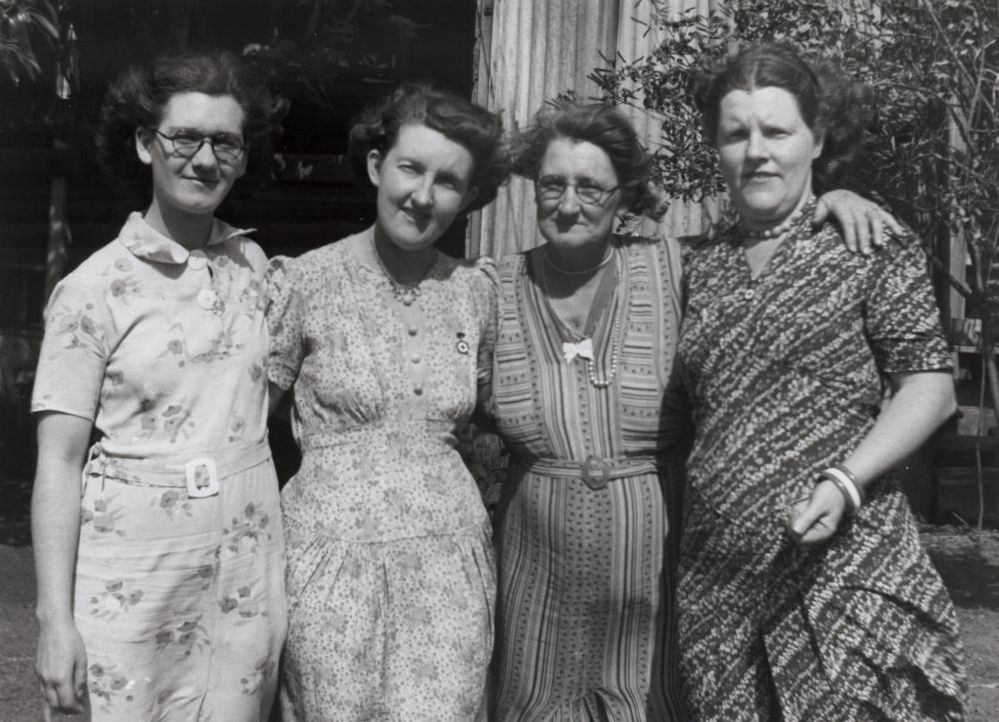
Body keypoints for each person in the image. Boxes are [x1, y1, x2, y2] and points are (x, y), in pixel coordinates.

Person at [487, 100, 898, 720]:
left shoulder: (681, 267)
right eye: (552, 184)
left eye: (591, 187)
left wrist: (832, 201)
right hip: (536, 587)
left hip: (662, 585)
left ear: (624, 193)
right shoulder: (489, 291)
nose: (568, 204)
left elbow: (771, 238)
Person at [676, 42, 966, 720]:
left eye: (776, 131)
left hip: (842, 573)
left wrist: (845, 479)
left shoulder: (868, 245)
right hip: (718, 591)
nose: (756, 151)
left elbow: (929, 385)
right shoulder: (699, 266)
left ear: (816, 138)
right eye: (735, 134)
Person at [31, 52, 287, 720]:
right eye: (184, 138)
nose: (204, 160)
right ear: (146, 143)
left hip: (245, 570)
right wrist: (54, 622)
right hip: (133, 577)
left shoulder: (250, 265)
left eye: (225, 143)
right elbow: (58, 462)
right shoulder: (91, 291)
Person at [266, 83, 508, 721]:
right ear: (377, 166)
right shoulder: (306, 283)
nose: (424, 195)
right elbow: (239, 426)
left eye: (450, 182)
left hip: (449, 568)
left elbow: (497, 417)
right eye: (411, 168)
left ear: (469, 197)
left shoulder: (474, 294)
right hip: (329, 565)